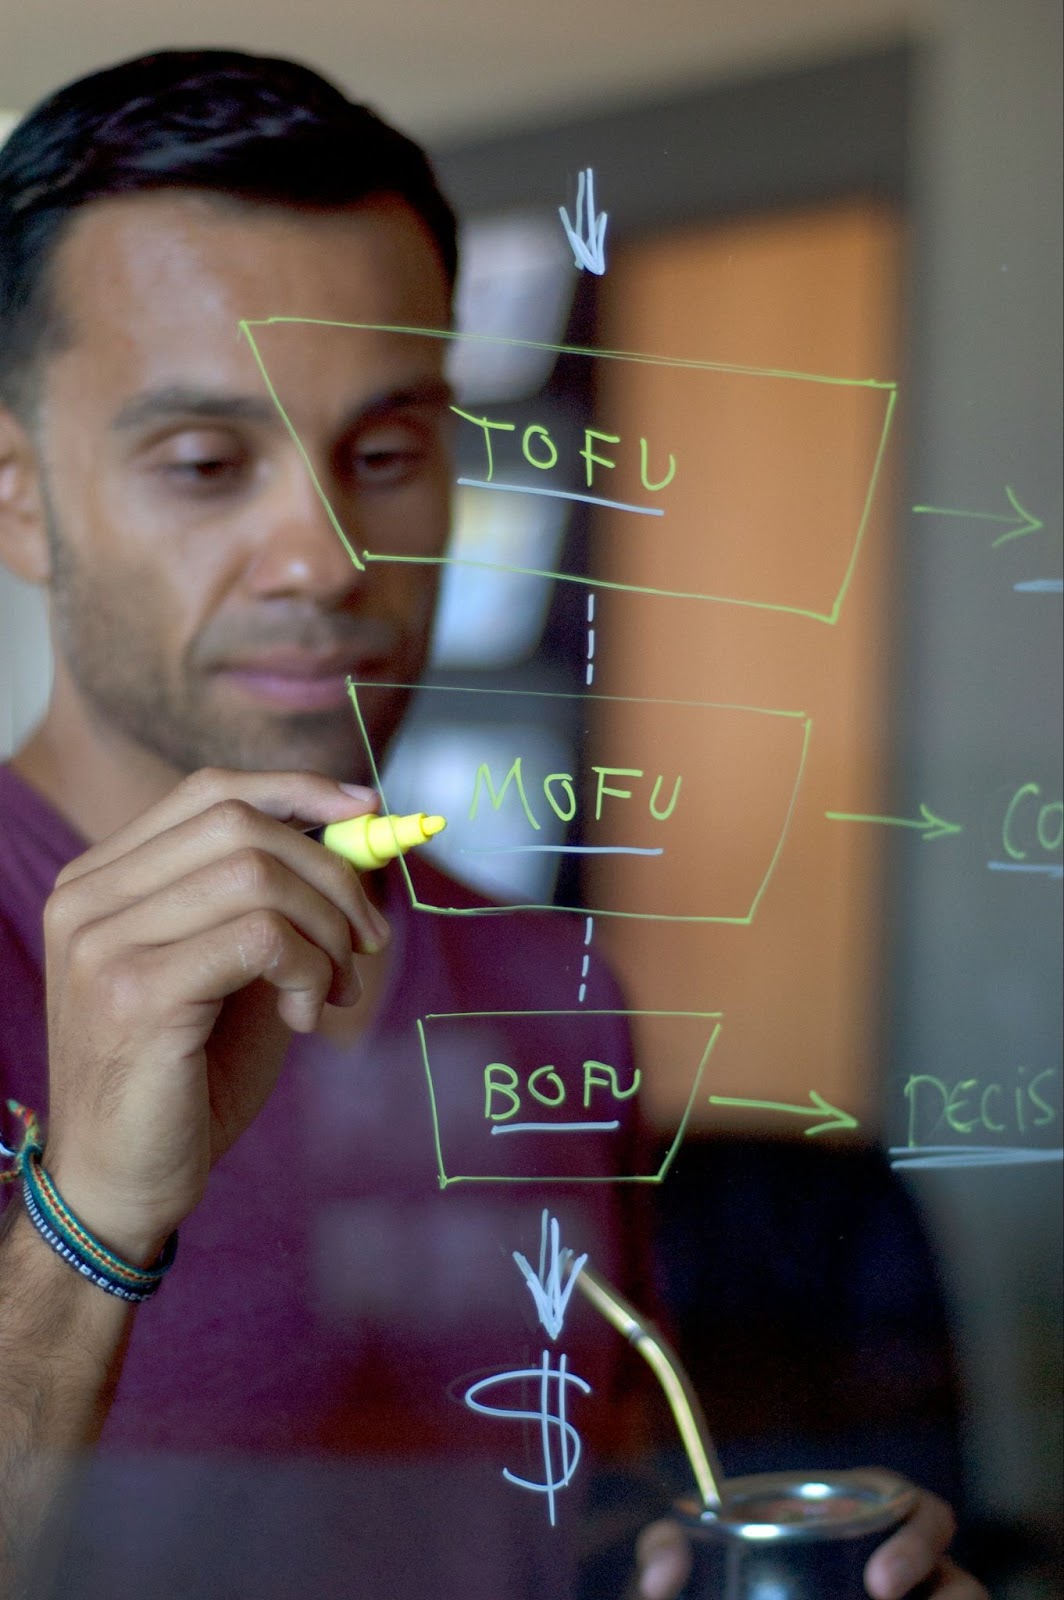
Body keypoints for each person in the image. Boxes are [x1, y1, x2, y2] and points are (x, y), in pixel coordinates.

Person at [0, 49, 985, 1600]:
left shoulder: (545, 977)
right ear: (17, 495)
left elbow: (548, 1505)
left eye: (386, 456)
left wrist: (697, 1564)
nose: (324, 560)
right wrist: (88, 1226)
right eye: (204, 464)